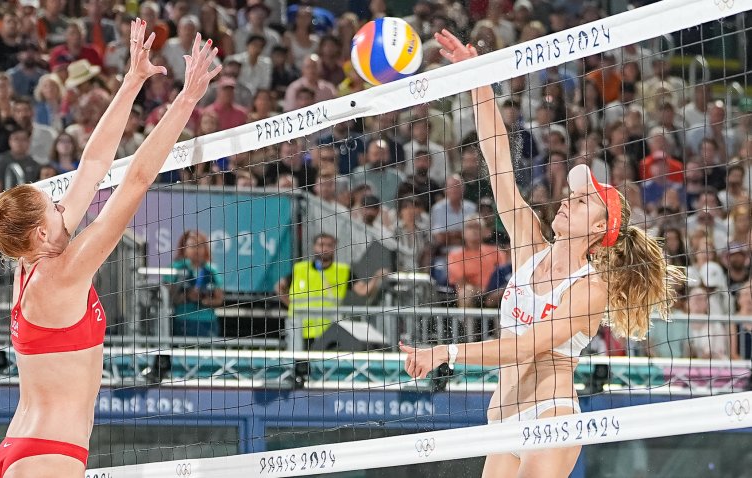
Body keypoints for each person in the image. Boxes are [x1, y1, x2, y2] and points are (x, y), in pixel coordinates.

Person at [0, 20, 219, 478]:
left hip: (23, 449)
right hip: (49, 454)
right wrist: (187, 99)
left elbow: (93, 165)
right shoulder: (62, 274)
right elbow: (136, 182)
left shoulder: (32, 264)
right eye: (54, 207)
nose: (64, 207)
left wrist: (133, 80)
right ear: (41, 234)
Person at [399, 31, 683, 477]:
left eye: (583, 200)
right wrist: (478, 80)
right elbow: (498, 163)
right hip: (504, 420)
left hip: (551, 418)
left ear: (597, 229)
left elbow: (528, 346)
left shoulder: (590, 288)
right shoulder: (531, 243)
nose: (569, 199)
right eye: (572, 195)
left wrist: (445, 353)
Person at [275, 233, 388, 349]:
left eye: (329, 245)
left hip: (327, 331)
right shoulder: (300, 269)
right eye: (321, 244)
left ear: (335, 247)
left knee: (325, 365)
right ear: (314, 247)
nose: (325, 248)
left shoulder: (343, 271)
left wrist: (376, 278)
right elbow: (279, 287)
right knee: (298, 365)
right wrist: (291, 306)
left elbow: (363, 291)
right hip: (299, 329)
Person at [165, 230, 224, 337]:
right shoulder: (175, 268)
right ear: (184, 248)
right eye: (192, 246)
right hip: (183, 321)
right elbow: (168, 298)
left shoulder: (211, 269)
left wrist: (204, 300)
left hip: (208, 322)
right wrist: (187, 296)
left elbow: (219, 299)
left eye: (200, 245)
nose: (197, 250)